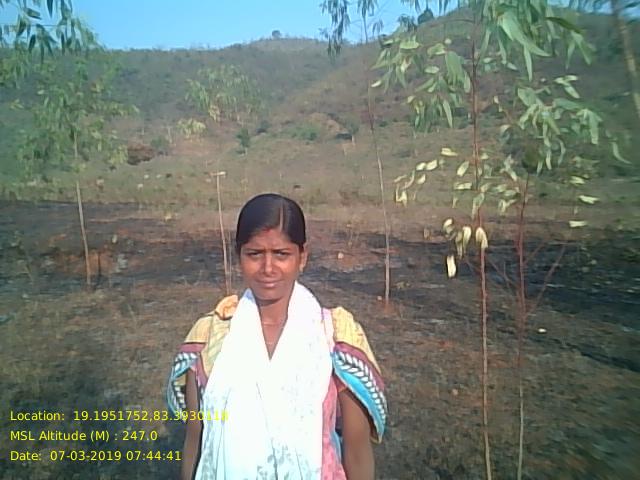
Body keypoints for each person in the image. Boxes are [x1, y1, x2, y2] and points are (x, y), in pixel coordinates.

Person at [166, 193, 387, 480]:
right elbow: (196, 439)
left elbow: (356, 451)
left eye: (281, 254)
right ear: (239, 256)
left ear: (302, 257)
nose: (268, 268)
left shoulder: (333, 337)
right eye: (254, 254)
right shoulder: (210, 337)